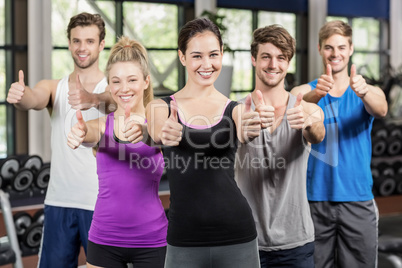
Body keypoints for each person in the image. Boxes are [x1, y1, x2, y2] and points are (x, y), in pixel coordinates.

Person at [146, 17, 260, 268]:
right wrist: (163, 133)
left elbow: (246, 130)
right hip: (184, 238)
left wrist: (252, 128)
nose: (206, 64)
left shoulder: (236, 109)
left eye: (213, 55)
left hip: (237, 234)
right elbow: (155, 130)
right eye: (197, 56)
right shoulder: (160, 107)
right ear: (182, 57)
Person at [6, 12, 114, 267]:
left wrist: (92, 98)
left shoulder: (112, 87)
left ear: (101, 45)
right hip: (59, 201)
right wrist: (22, 96)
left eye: (89, 41)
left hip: (101, 203)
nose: (82, 48)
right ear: (68, 43)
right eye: (76, 41)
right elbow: (35, 98)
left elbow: (114, 102)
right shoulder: (54, 86)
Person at [291, 20, 388, 268]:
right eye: (329, 47)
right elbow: (293, 106)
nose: (335, 53)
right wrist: (316, 96)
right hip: (315, 202)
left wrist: (364, 90)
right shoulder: (306, 91)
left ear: (351, 48)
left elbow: (382, 109)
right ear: (319, 49)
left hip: (357, 200)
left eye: (341, 47)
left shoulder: (366, 91)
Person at [67, 36, 167, 268]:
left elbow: (166, 133)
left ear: (146, 82)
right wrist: (80, 133)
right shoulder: (103, 124)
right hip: (104, 240)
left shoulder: (158, 123)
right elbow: (90, 132)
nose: (124, 88)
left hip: (153, 240)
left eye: (132, 80)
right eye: (116, 81)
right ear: (109, 87)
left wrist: (144, 131)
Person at [235, 24, 325, 268]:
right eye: (266, 56)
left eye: (281, 58)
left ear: (288, 63)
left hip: (296, 243)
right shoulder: (236, 112)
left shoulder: (307, 109)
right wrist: (242, 131)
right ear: (254, 59)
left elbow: (318, 133)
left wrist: (308, 125)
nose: (273, 64)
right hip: (244, 241)